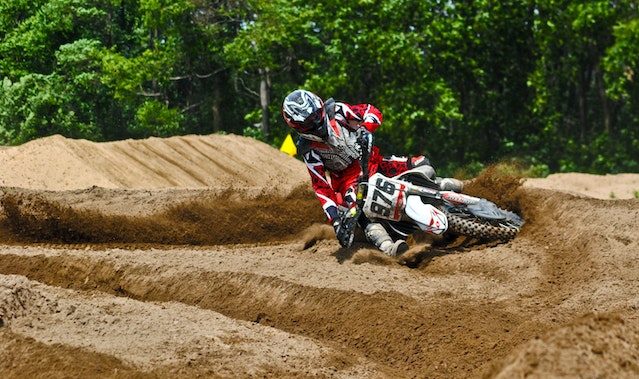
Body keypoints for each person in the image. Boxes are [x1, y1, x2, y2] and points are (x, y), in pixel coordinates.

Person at [281, 89, 463, 256]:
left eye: (316, 116)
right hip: (349, 183)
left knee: (422, 164)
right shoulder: (308, 149)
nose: (316, 123)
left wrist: (366, 128)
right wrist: (335, 220)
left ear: (320, 106)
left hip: (375, 162)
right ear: (298, 127)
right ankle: (388, 246)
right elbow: (321, 186)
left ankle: (442, 187)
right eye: (309, 122)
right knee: (359, 215)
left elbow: (371, 111)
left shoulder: (337, 111)